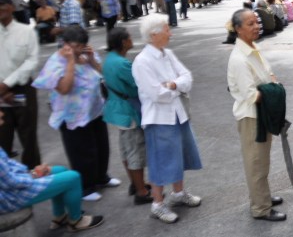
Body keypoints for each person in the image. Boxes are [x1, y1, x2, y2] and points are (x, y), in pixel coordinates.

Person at [32, 26, 120, 202]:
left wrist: (91, 61)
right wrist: (71, 62)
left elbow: (103, 74)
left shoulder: (86, 56)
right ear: (64, 44)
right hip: (72, 115)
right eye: (75, 45)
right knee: (82, 151)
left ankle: (101, 177)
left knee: (101, 146)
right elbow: (64, 88)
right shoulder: (56, 62)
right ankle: (85, 187)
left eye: (82, 45)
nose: (79, 49)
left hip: (94, 110)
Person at [131, 15, 202, 223]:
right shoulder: (142, 61)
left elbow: (187, 77)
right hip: (158, 118)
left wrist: (172, 85)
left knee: (179, 154)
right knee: (160, 161)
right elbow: (156, 94)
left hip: (177, 113)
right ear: (154, 35)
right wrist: (176, 87)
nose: (170, 33)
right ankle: (157, 204)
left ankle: (178, 193)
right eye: (166, 30)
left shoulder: (167, 53)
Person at [227, 9, 287, 222]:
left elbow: (269, 74)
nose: (256, 26)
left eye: (256, 22)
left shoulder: (253, 49)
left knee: (262, 161)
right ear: (238, 29)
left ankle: (263, 196)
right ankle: (261, 208)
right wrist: (274, 90)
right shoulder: (239, 59)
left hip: (261, 116)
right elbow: (252, 95)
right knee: (256, 164)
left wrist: (271, 84)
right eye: (250, 23)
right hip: (252, 118)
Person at [0, 111, 104, 232]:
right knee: (73, 177)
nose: (2, 113)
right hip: (10, 198)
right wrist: (34, 174)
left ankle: (60, 216)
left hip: (10, 190)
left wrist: (33, 172)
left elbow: (10, 169)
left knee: (60, 170)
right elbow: (12, 182)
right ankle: (76, 221)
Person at [101, 28, 152, 205]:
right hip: (127, 110)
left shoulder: (110, 60)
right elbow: (138, 85)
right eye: (129, 37)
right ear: (123, 42)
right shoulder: (122, 64)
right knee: (135, 151)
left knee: (126, 147)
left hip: (116, 109)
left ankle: (135, 183)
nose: (132, 40)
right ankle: (141, 191)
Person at [0, 0, 40, 169]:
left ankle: (33, 175)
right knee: (3, 138)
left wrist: (8, 84)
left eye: (2, 5)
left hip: (22, 90)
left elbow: (31, 61)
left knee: (28, 136)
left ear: (11, 7)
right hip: (0, 92)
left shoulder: (26, 31)